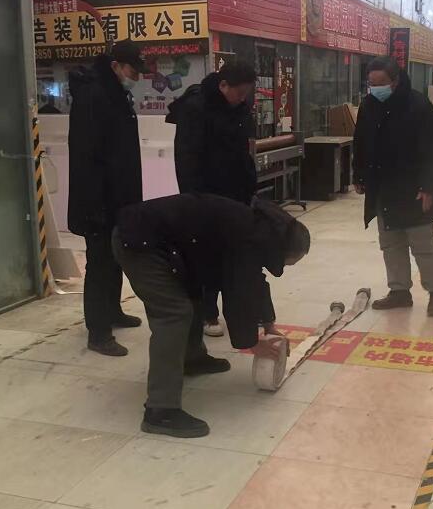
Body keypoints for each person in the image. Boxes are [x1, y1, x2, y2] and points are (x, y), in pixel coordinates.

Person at [113, 194, 310, 438]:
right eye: (290, 262)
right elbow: (238, 293)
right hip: (140, 243)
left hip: (165, 243)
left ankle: (192, 358)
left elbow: (254, 281)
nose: (286, 267)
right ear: (281, 250)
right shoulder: (249, 239)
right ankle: (160, 410)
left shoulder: (260, 231)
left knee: (194, 296)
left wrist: (268, 324)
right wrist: (252, 342)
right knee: (174, 314)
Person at [166, 62, 258, 337]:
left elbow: (244, 153)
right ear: (223, 85)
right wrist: (194, 199)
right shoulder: (196, 108)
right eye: (239, 93)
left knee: (233, 256)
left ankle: (238, 312)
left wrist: (249, 188)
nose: (242, 98)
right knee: (205, 255)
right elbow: (186, 159)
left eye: (246, 93)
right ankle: (207, 314)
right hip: (205, 196)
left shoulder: (239, 108)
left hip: (234, 195)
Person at [353, 56, 433, 316]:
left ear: (395, 81)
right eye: (371, 84)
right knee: (390, 243)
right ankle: (399, 291)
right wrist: (359, 174)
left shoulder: (418, 105)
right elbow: (360, 141)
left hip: (413, 188)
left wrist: (428, 187)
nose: (375, 88)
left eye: (380, 83)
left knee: (423, 244)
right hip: (383, 188)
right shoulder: (369, 105)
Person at [68, 40, 145, 357]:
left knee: (114, 257)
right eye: (132, 71)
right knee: (99, 263)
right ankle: (98, 332)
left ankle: (112, 311)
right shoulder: (93, 96)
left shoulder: (114, 94)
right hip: (97, 201)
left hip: (117, 197)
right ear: (115, 66)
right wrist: (95, 206)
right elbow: (86, 156)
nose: (135, 78)